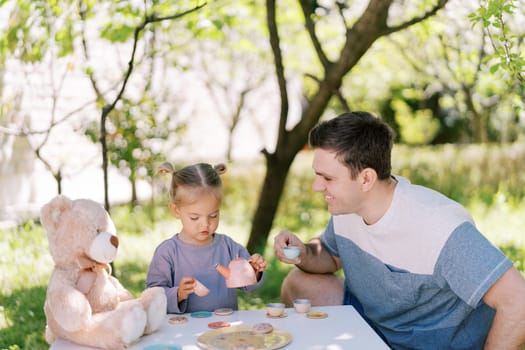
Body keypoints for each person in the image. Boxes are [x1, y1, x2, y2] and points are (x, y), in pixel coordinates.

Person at [274, 111, 525, 349]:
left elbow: (518, 301)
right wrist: (304, 252)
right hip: (377, 327)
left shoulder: (438, 226)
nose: (317, 187)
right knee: (300, 283)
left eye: (328, 178)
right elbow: (330, 255)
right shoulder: (348, 208)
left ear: (366, 179)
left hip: (434, 344)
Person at [147, 162, 267, 314]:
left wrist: (254, 271)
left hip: (224, 329)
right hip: (183, 332)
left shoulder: (228, 247)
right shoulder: (167, 252)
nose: (205, 224)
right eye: (195, 217)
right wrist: (178, 294)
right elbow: (152, 296)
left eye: (213, 215)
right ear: (176, 210)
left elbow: (248, 284)